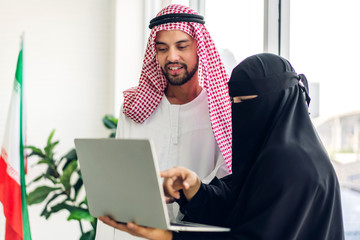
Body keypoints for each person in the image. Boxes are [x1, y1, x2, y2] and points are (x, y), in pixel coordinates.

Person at [99, 53, 345, 239]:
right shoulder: (269, 156)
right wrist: (194, 188)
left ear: (277, 104)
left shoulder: (296, 169)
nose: (239, 112)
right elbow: (235, 204)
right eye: (234, 102)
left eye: (246, 102)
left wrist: (170, 236)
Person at [95, 4, 232, 240]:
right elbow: (119, 188)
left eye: (182, 46)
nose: (172, 57)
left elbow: (223, 190)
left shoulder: (220, 111)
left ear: (200, 47)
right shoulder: (134, 109)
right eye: (162, 48)